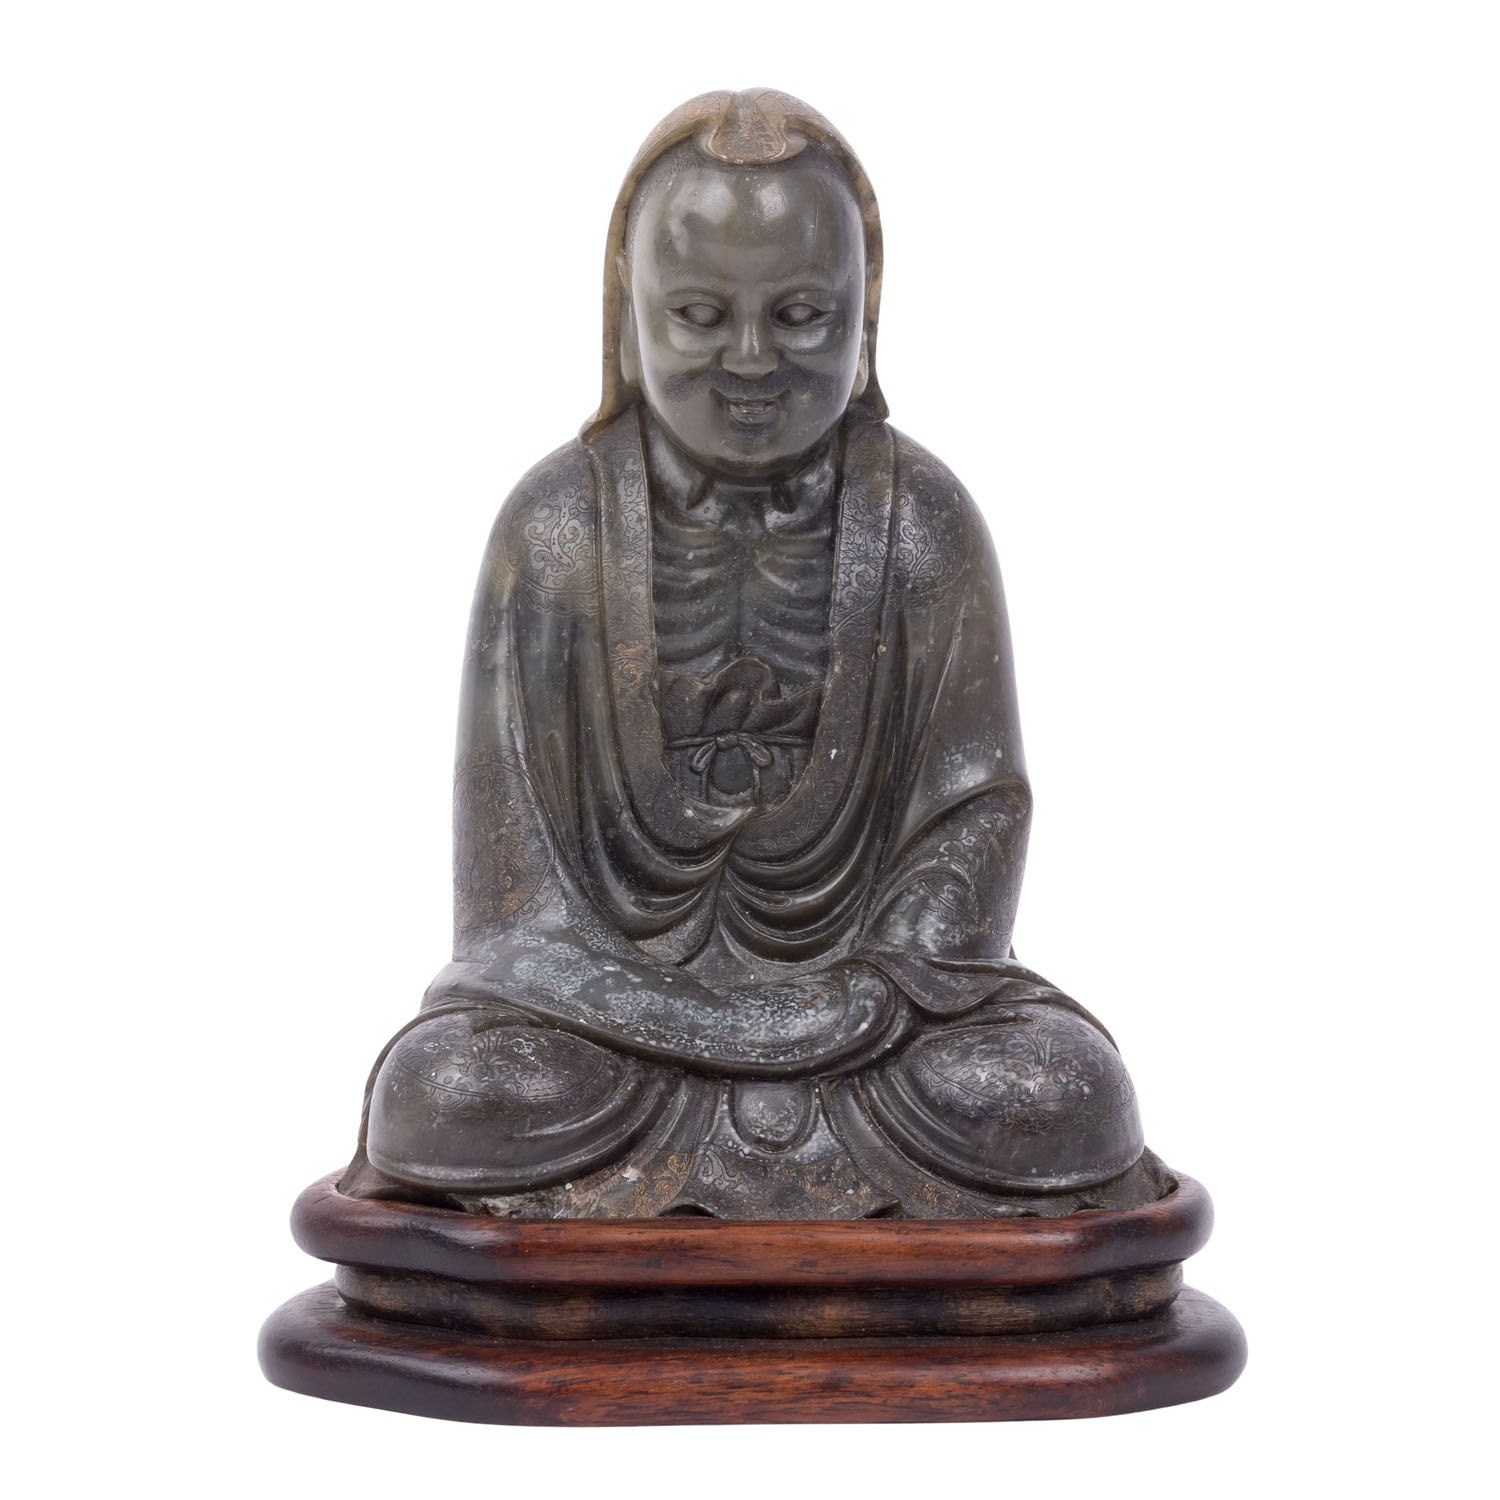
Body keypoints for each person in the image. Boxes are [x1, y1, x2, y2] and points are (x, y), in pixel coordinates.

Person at [339, 90, 1168, 1219]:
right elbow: (511, 909)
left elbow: (974, 816)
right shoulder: (556, 532)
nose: (749, 358)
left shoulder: (923, 524)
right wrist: (689, 1017)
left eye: (801, 315)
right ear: (624, 312)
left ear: (867, 317)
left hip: (868, 1016)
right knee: (451, 1091)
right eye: (696, 312)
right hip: (607, 1024)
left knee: (1057, 1092)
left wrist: (862, 992)